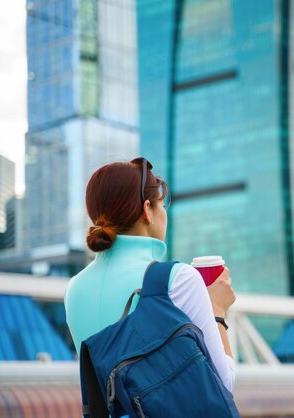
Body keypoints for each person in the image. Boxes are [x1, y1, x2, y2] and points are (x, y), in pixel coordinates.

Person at [64, 157, 237, 392]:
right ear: (147, 210)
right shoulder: (178, 279)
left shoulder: (74, 288)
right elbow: (223, 383)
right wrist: (217, 310)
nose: (165, 215)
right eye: (162, 205)